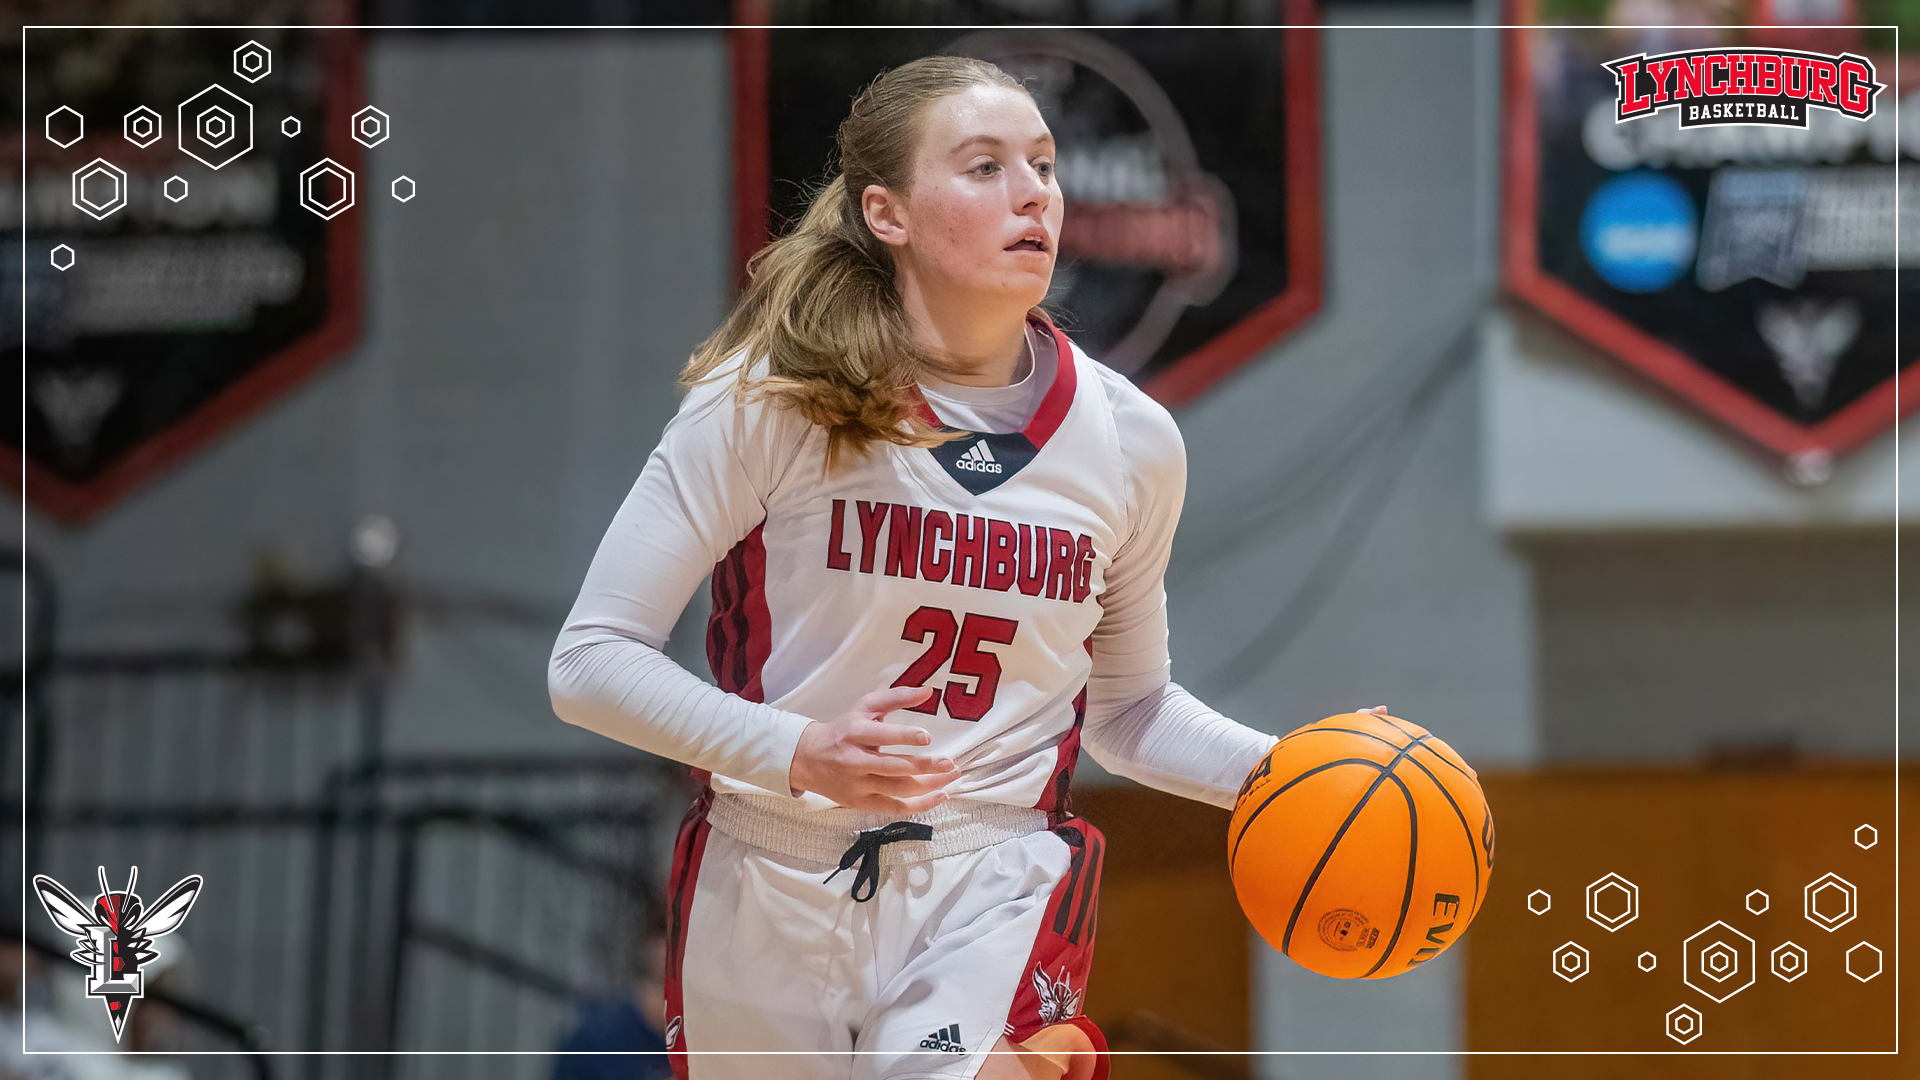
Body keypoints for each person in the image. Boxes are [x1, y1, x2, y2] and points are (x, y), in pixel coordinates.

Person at [549, 55, 1298, 1080]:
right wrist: (798, 750)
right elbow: (590, 661)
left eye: (1044, 165)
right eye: (985, 167)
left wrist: (1292, 772)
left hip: (990, 871)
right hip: (765, 871)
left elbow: (1128, 713)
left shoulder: (1130, 440)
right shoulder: (768, 401)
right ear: (886, 213)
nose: (1034, 193)